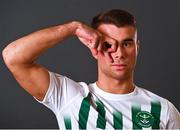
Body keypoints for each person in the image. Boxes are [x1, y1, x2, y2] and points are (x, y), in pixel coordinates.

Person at [2, 9, 180, 129]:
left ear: (137, 48)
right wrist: (73, 28)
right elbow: (13, 57)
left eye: (127, 43)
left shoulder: (163, 109)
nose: (118, 54)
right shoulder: (69, 97)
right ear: (94, 49)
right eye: (108, 45)